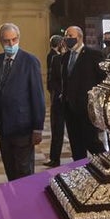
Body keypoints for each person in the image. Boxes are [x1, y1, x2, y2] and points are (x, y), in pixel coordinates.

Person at [0, 23, 45, 181]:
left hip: (23, 128)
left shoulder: (30, 61)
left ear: (18, 38)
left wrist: (38, 128)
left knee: (24, 172)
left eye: (14, 39)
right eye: (6, 41)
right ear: (0, 41)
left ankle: (26, 204)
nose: (11, 44)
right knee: (10, 171)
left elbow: (37, 96)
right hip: (3, 128)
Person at [59, 25, 107, 159]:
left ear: (80, 38)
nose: (67, 38)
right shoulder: (65, 57)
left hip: (86, 108)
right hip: (70, 109)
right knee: (76, 145)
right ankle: (80, 172)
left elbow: (103, 79)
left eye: (71, 36)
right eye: (66, 36)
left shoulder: (94, 55)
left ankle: (105, 166)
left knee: (92, 142)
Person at [45, 34, 65, 168]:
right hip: (57, 98)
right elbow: (52, 80)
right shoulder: (54, 57)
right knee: (56, 129)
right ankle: (54, 158)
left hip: (63, 98)